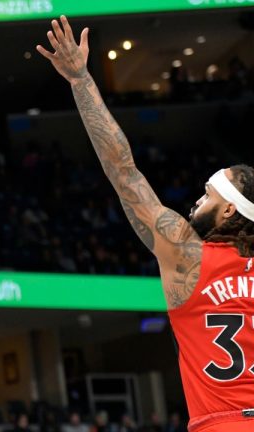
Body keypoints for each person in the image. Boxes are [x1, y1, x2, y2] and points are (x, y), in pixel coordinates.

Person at [37, 15, 254, 432]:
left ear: (229, 211)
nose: (198, 197)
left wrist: (80, 79)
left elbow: (123, 170)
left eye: (210, 193)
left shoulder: (187, 255)